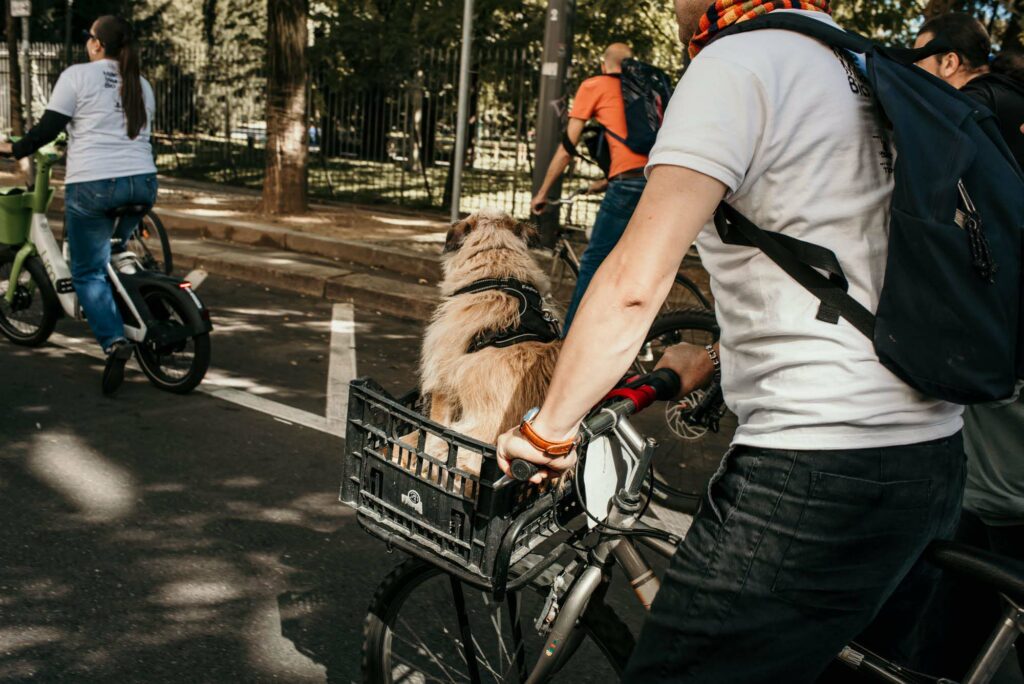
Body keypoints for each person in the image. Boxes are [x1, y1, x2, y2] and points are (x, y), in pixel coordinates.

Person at [497, 1, 966, 681]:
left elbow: (634, 281)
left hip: (815, 470)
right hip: (929, 454)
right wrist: (717, 357)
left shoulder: (739, 62)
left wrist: (550, 431)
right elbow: (842, 261)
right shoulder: (864, 63)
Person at [904, 16, 1024, 679]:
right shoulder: (1011, 103)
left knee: (999, 511)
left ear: (950, 61)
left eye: (916, 58)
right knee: (978, 515)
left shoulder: (968, 114)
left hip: (1003, 338)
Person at [0, 15, 158, 395]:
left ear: (97, 45)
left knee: (86, 271)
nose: (88, 41)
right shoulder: (142, 83)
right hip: (143, 182)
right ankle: (144, 297)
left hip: (94, 185)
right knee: (115, 252)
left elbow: (48, 128)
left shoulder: (77, 76)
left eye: (90, 36)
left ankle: (113, 342)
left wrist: (12, 149)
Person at [530, 43, 649, 333]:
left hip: (628, 187)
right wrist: (606, 181)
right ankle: (636, 336)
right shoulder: (644, 90)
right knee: (632, 263)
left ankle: (568, 344)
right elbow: (641, 149)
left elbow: (567, 149)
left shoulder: (595, 85)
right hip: (658, 181)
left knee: (594, 262)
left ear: (603, 65)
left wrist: (543, 192)